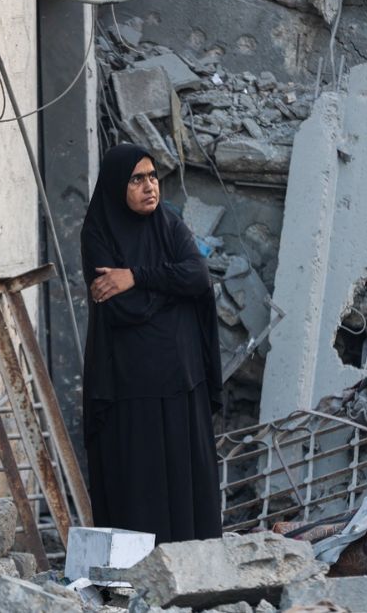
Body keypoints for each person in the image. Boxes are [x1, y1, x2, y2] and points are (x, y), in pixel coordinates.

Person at [80, 143, 224, 543]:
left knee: (186, 479)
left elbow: (198, 276)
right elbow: (123, 310)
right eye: (136, 179)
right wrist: (171, 289)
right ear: (116, 185)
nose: (149, 187)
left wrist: (138, 277)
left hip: (181, 379)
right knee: (141, 485)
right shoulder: (98, 233)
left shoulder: (169, 223)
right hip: (132, 386)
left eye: (152, 176)